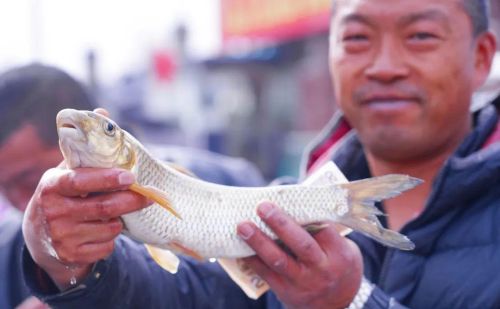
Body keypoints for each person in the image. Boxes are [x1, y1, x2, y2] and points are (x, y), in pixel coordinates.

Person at [20, 0, 500, 308]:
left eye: (420, 36)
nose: (384, 66)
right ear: (330, 54)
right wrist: (67, 262)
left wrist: (354, 302)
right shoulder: (286, 203)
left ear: (482, 56)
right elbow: (182, 292)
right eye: (357, 38)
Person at [0, 63, 264, 308]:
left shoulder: (223, 178)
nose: (21, 202)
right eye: (2, 187)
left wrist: (80, 281)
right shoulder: (7, 242)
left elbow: (225, 293)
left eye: (28, 179)